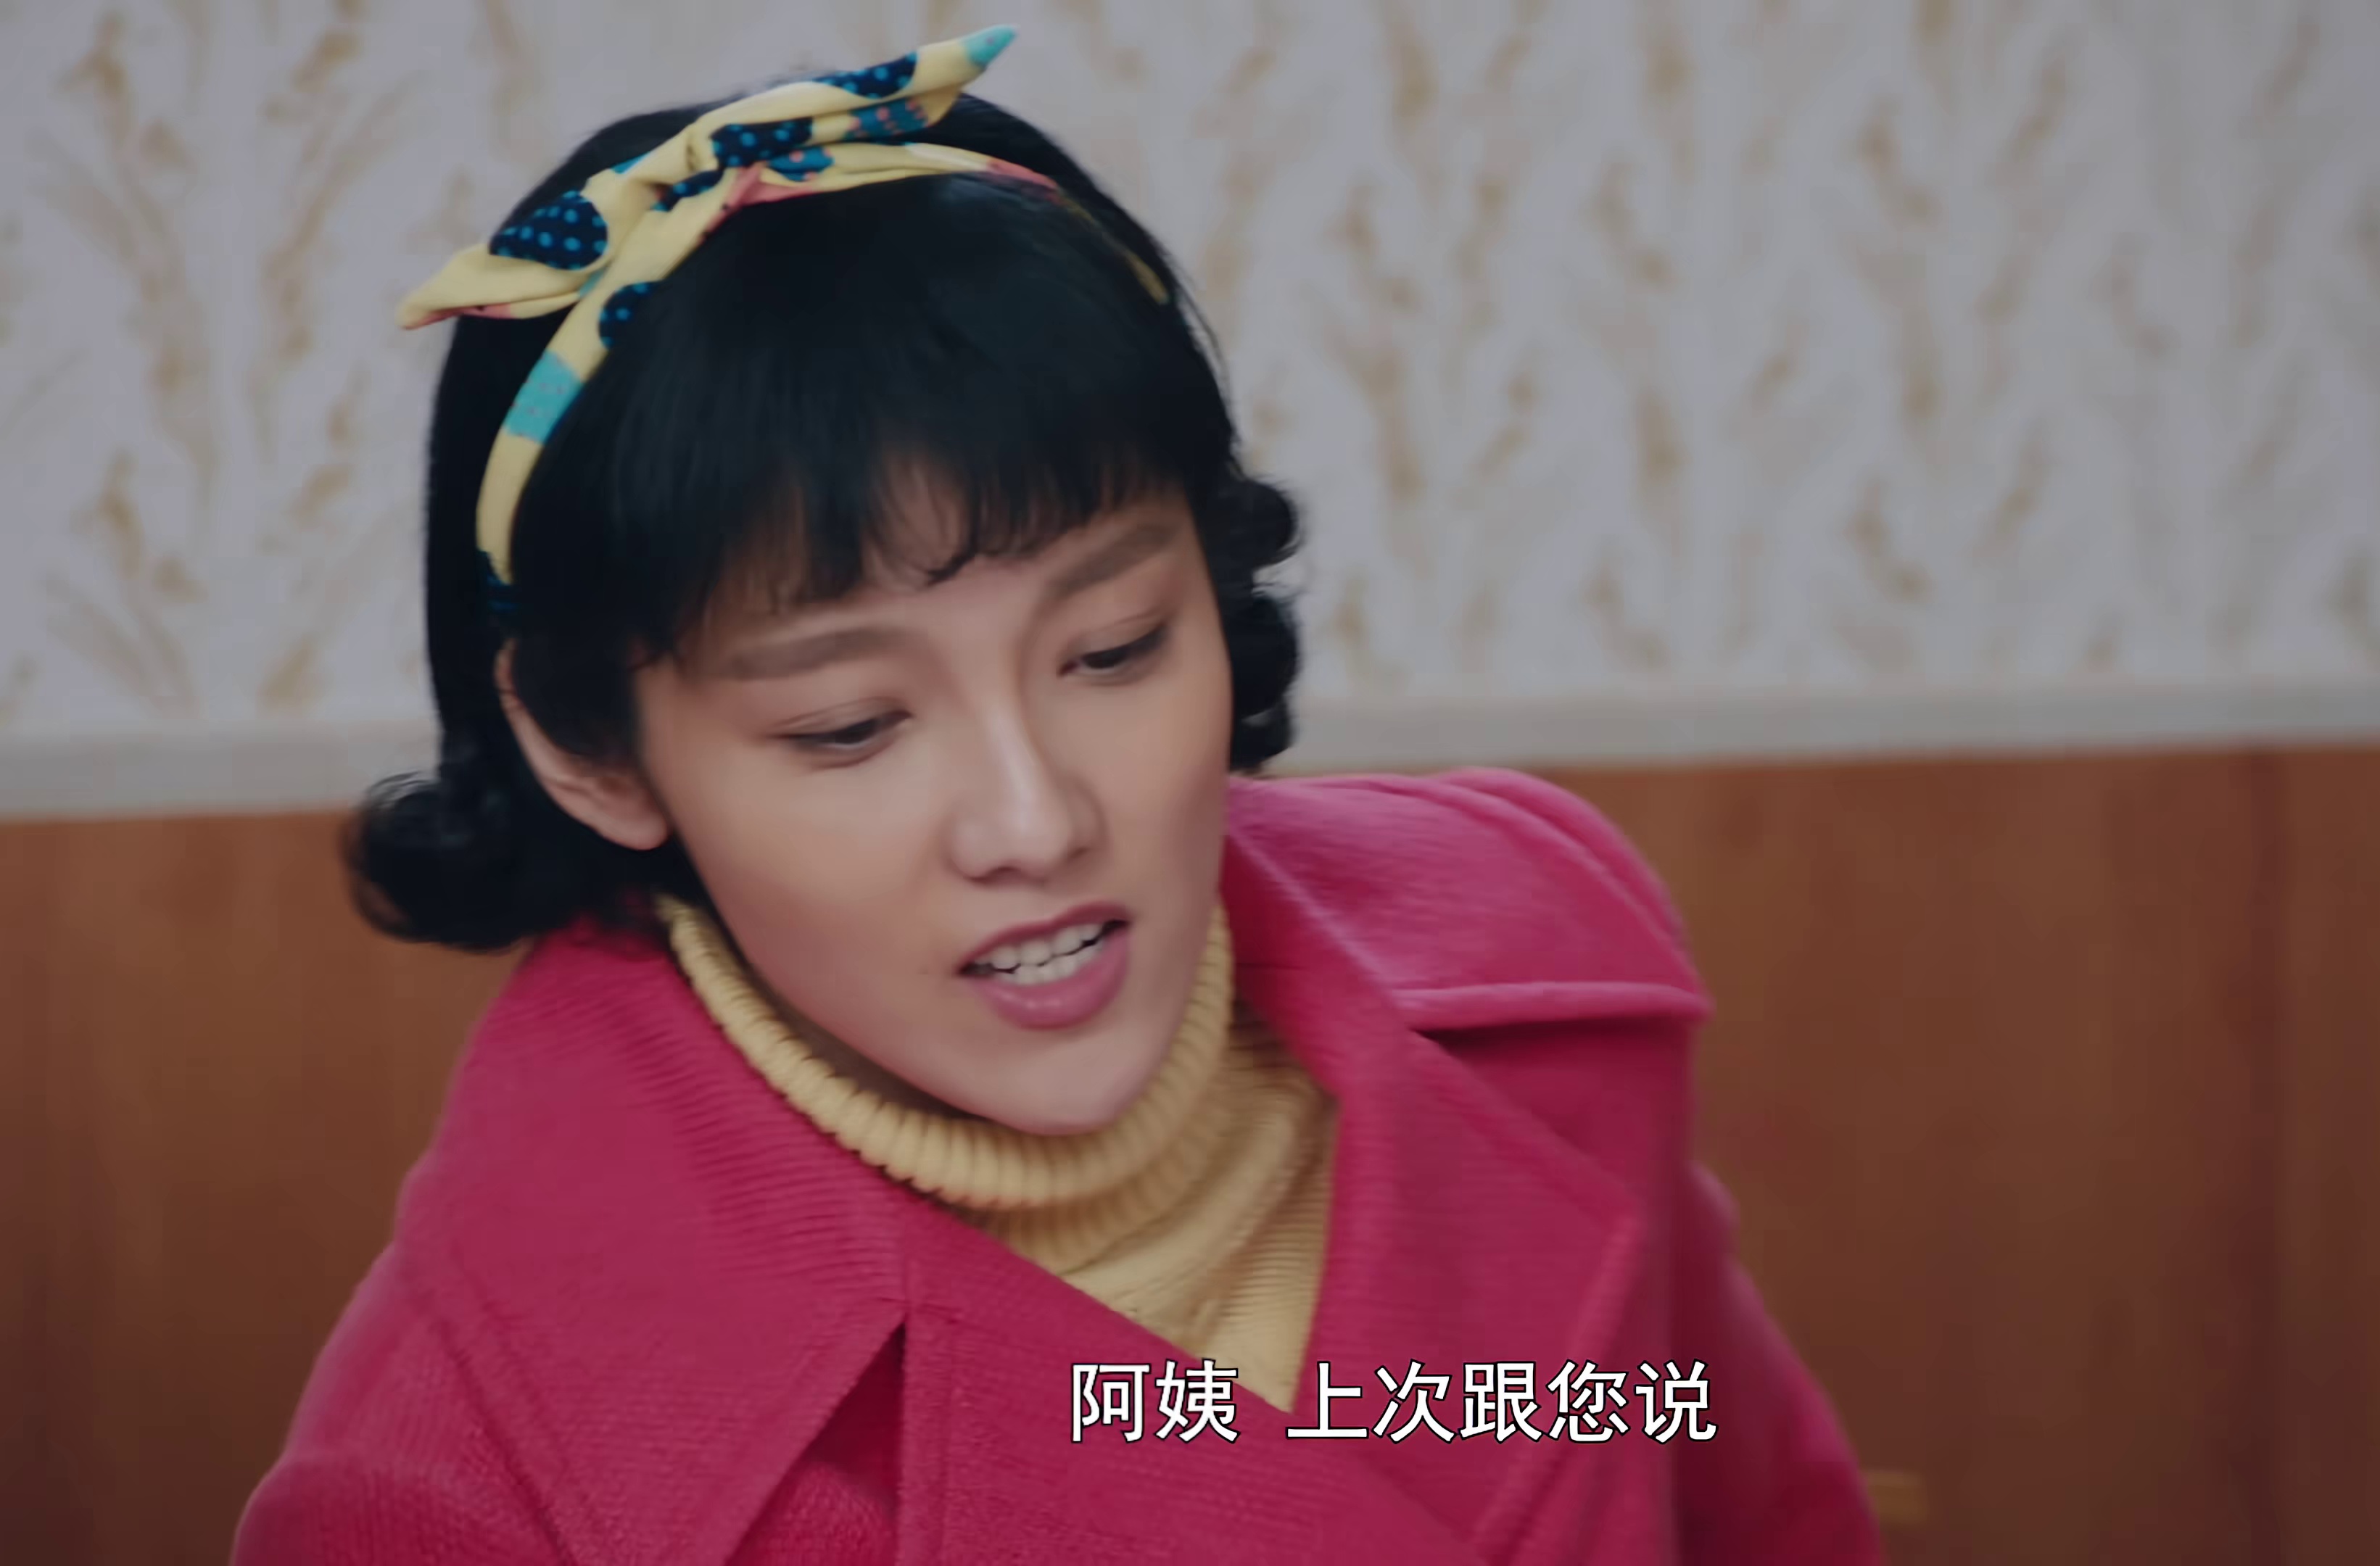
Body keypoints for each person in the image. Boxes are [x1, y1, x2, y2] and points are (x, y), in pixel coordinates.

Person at [234, 28, 1880, 1563]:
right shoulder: (457, 1485)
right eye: (849, 727)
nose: (1034, 824)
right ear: (590, 748)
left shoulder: (1550, 991)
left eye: (1113, 648)